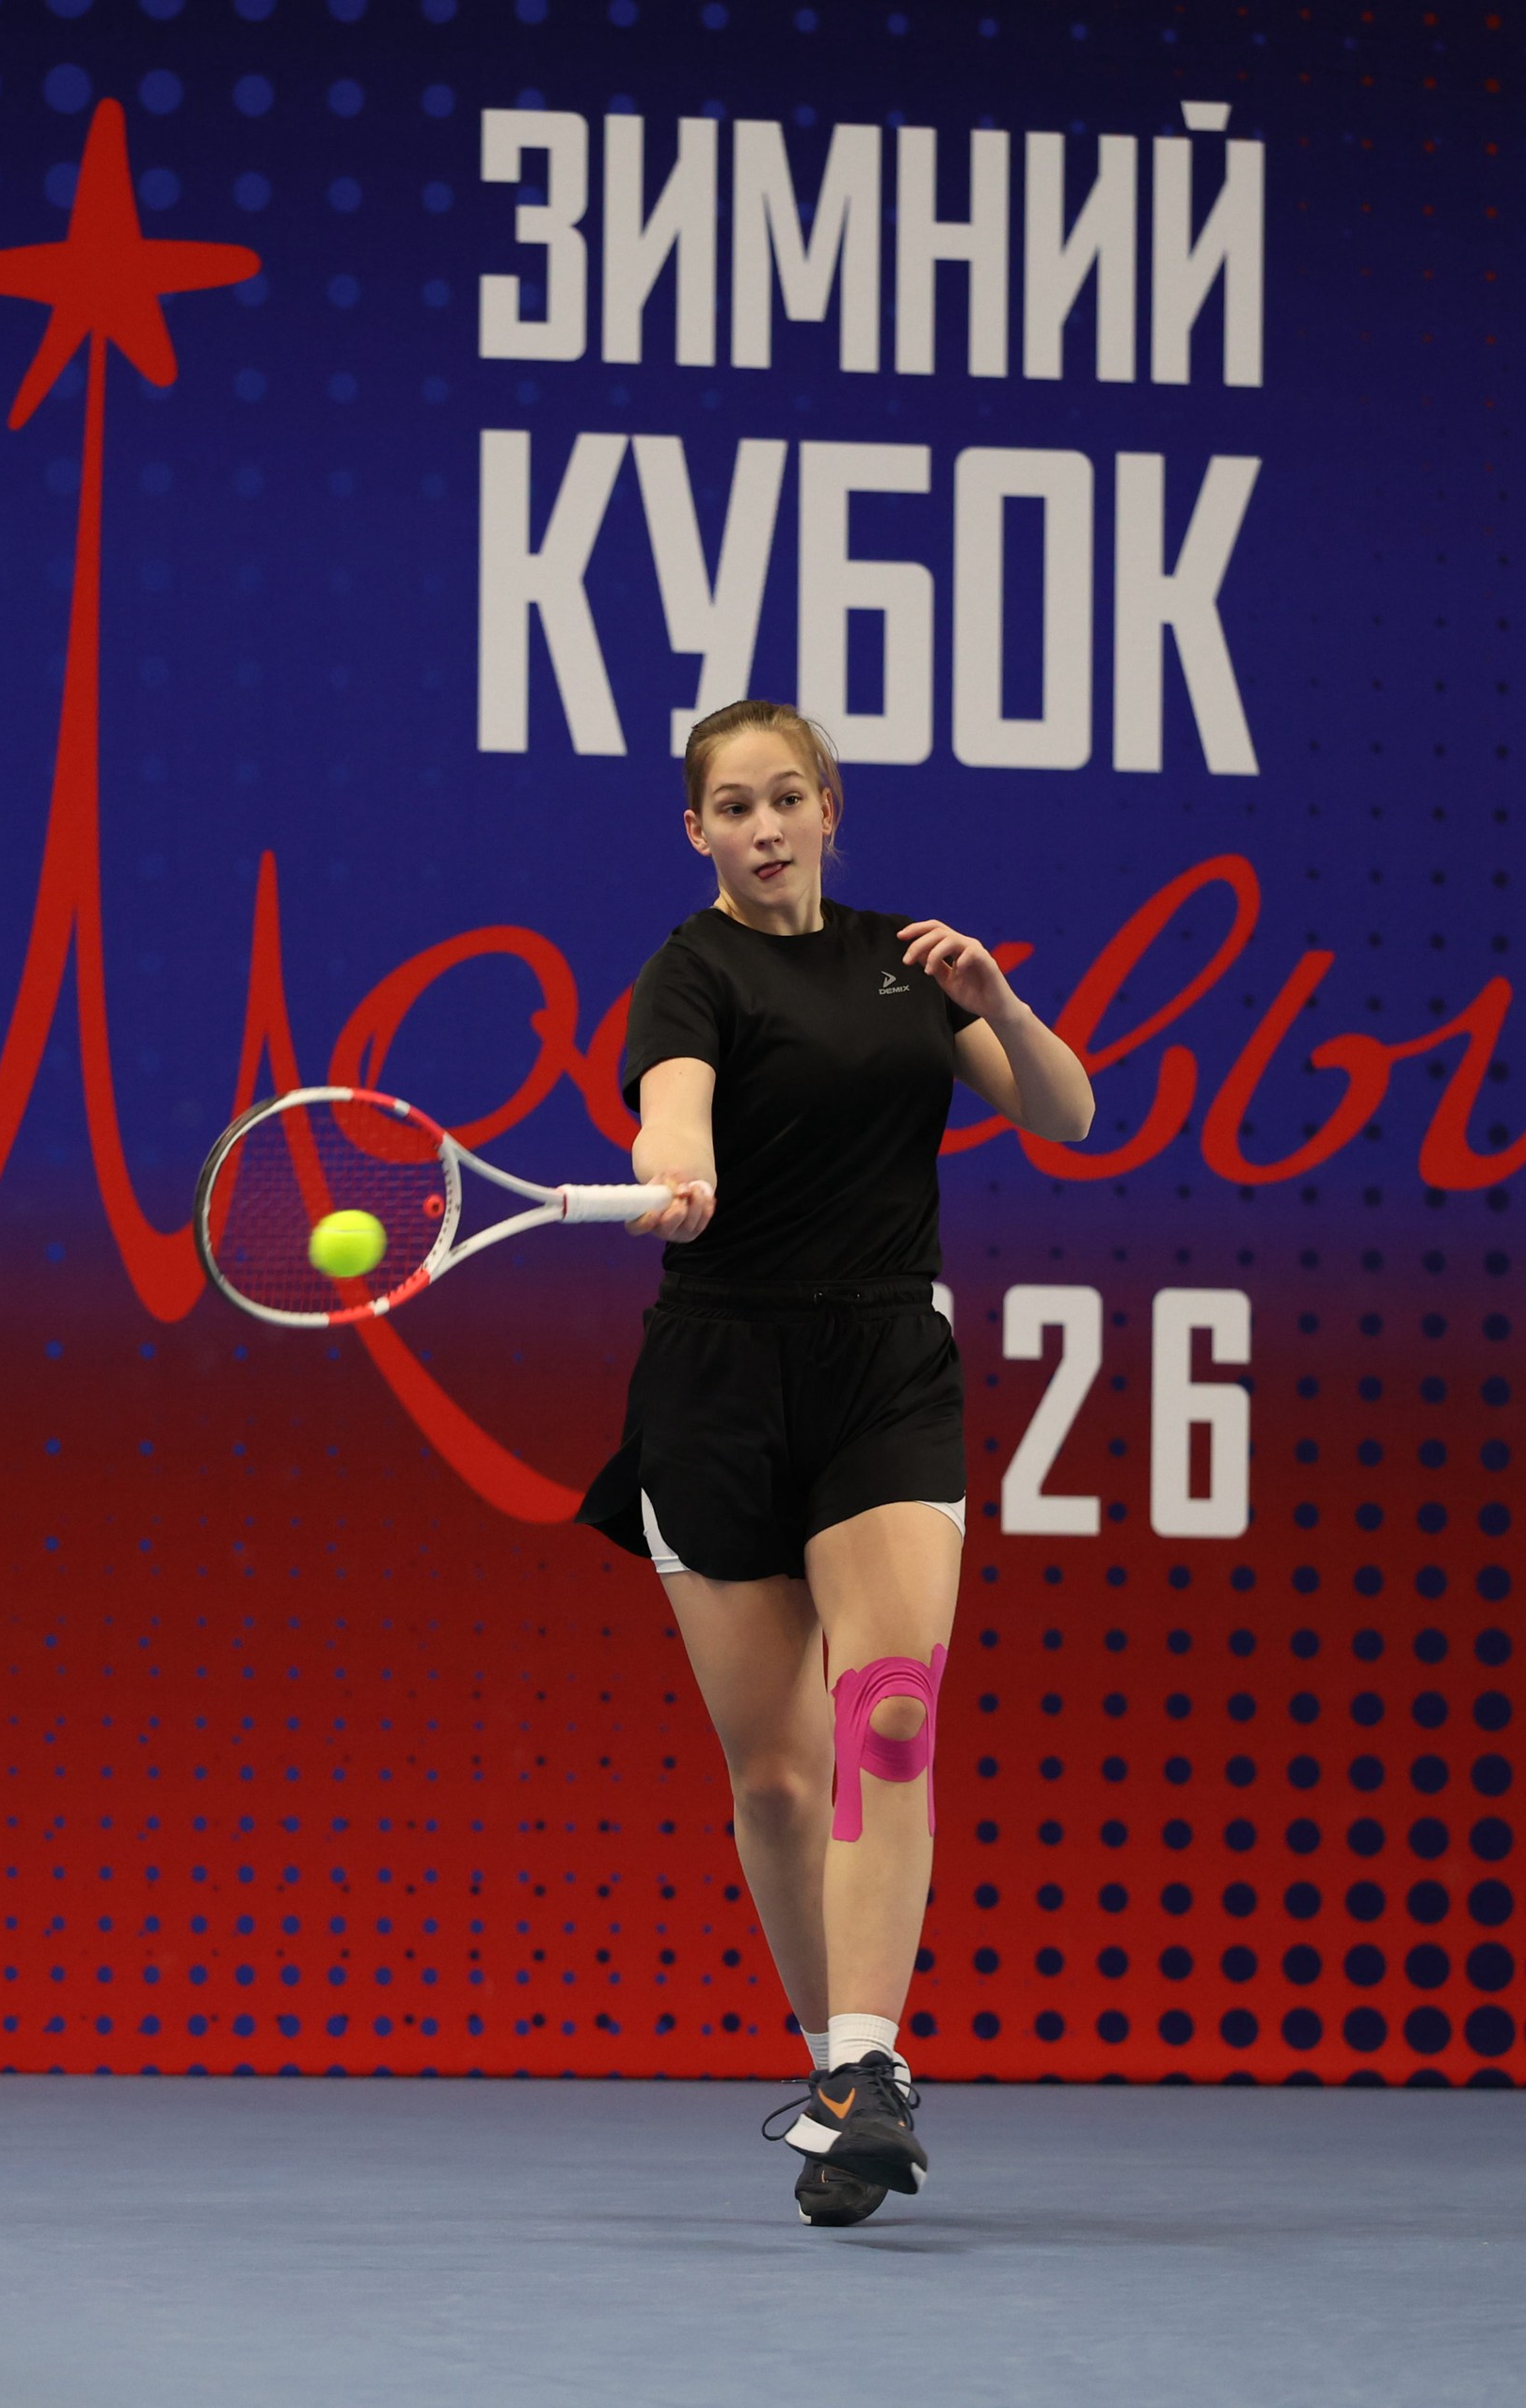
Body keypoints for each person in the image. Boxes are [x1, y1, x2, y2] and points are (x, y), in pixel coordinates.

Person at [578, 699, 1094, 2226]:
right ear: (697, 831)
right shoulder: (689, 972)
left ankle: (870, 2068)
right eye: (733, 807)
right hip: (720, 1384)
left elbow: (1067, 1112)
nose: (764, 827)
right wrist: (677, 1169)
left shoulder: (909, 963)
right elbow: (674, 1111)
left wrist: (999, 1001)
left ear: (828, 806)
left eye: (786, 798)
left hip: (882, 1370)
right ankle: (833, 2069)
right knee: (779, 1775)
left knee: (890, 1716)